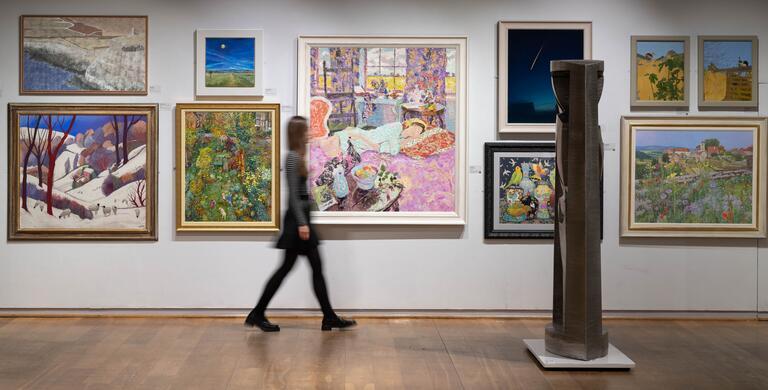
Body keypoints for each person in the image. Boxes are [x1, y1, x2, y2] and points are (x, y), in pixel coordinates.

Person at [245, 116, 356, 332]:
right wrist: (303, 224)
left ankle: (327, 316)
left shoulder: (297, 156)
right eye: (305, 130)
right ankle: (259, 313)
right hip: (298, 224)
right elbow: (293, 196)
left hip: (300, 221)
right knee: (298, 269)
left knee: (302, 269)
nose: (308, 133)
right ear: (298, 134)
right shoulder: (293, 158)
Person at [315, 118, 428, 157]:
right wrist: (360, 136)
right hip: (364, 137)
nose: (416, 132)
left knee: (333, 153)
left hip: (363, 143)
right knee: (330, 142)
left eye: (419, 132)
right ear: (412, 125)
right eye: (417, 128)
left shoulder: (401, 140)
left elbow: (390, 151)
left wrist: (408, 140)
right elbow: (379, 144)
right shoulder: (397, 126)